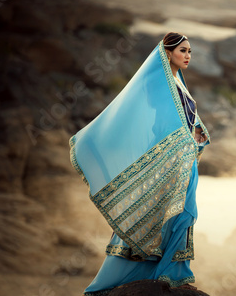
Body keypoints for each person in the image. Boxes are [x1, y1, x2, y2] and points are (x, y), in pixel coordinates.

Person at [69, 32, 210, 295]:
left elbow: (188, 122)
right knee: (160, 211)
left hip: (186, 160)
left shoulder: (180, 83)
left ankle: (172, 271)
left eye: (190, 51)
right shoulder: (160, 83)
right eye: (183, 51)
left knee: (185, 213)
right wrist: (182, 139)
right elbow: (160, 124)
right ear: (168, 53)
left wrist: (198, 134)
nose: (188, 56)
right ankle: (143, 273)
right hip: (172, 160)